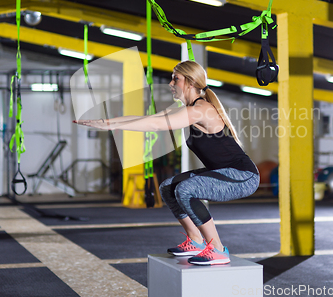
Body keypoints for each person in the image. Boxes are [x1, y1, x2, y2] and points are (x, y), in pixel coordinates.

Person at [74, 60, 259, 265]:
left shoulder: (201, 109)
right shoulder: (188, 108)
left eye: (175, 78)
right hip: (226, 172)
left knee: (186, 190)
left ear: (189, 82)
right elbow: (149, 117)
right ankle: (196, 241)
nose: (171, 83)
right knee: (168, 187)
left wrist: (111, 127)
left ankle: (217, 248)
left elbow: (155, 125)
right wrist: (107, 123)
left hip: (243, 176)